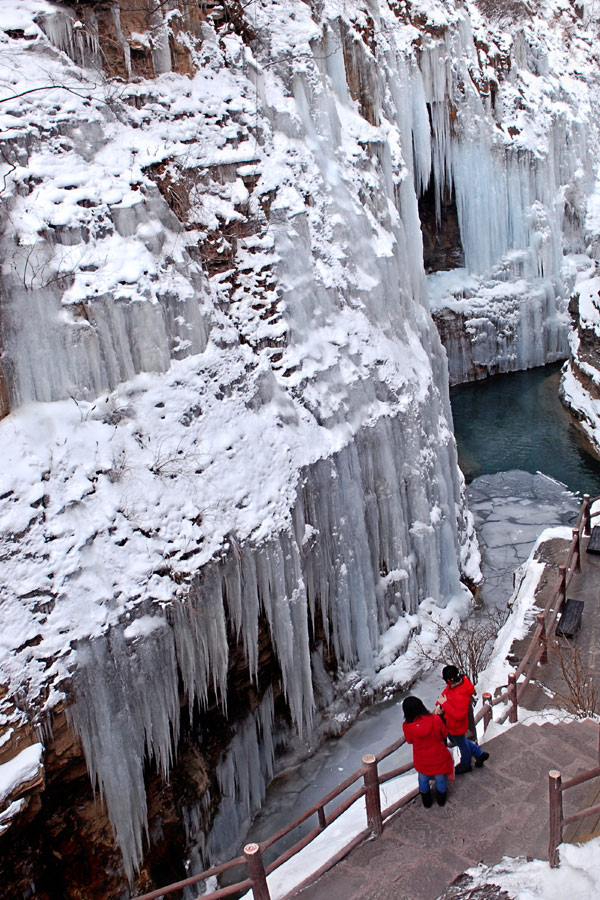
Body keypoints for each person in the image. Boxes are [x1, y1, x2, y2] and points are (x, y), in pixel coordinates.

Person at [435, 664, 490, 774]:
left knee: (461, 744)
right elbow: (446, 692)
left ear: (449, 680)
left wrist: (444, 704)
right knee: (460, 741)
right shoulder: (458, 682)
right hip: (452, 723)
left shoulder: (461, 694)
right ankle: (479, 754)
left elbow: (459, 715)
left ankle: (466, 764)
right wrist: (439, 704)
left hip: (457, 725)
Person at [402, 695, 454, 807]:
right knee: (440, 778)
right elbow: (444, 734)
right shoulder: (435, 719)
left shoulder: (407, 727)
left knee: (423, 779)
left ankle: (426, 802)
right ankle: (441, 800)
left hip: (422, 760)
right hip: (439, 756)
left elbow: (409, 740)